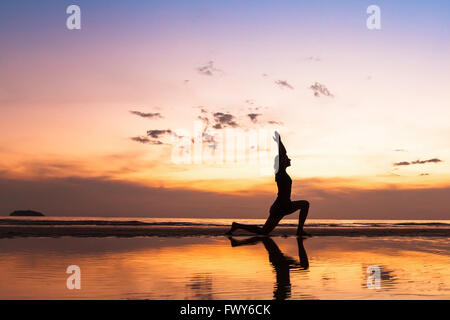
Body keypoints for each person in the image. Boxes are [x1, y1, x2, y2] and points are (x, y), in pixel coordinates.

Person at [226, 132, 310, 236]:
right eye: (287, 158)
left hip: (283, 205)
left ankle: (237, 226)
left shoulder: (282, 173)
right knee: (305, 204)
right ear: (282, 162)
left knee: (264, 231)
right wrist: (279, 141)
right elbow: (283, 153)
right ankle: (300, 230)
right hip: (281, 206)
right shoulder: (280, 173)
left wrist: (279, 142)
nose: (289, 159)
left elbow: (283, 154)